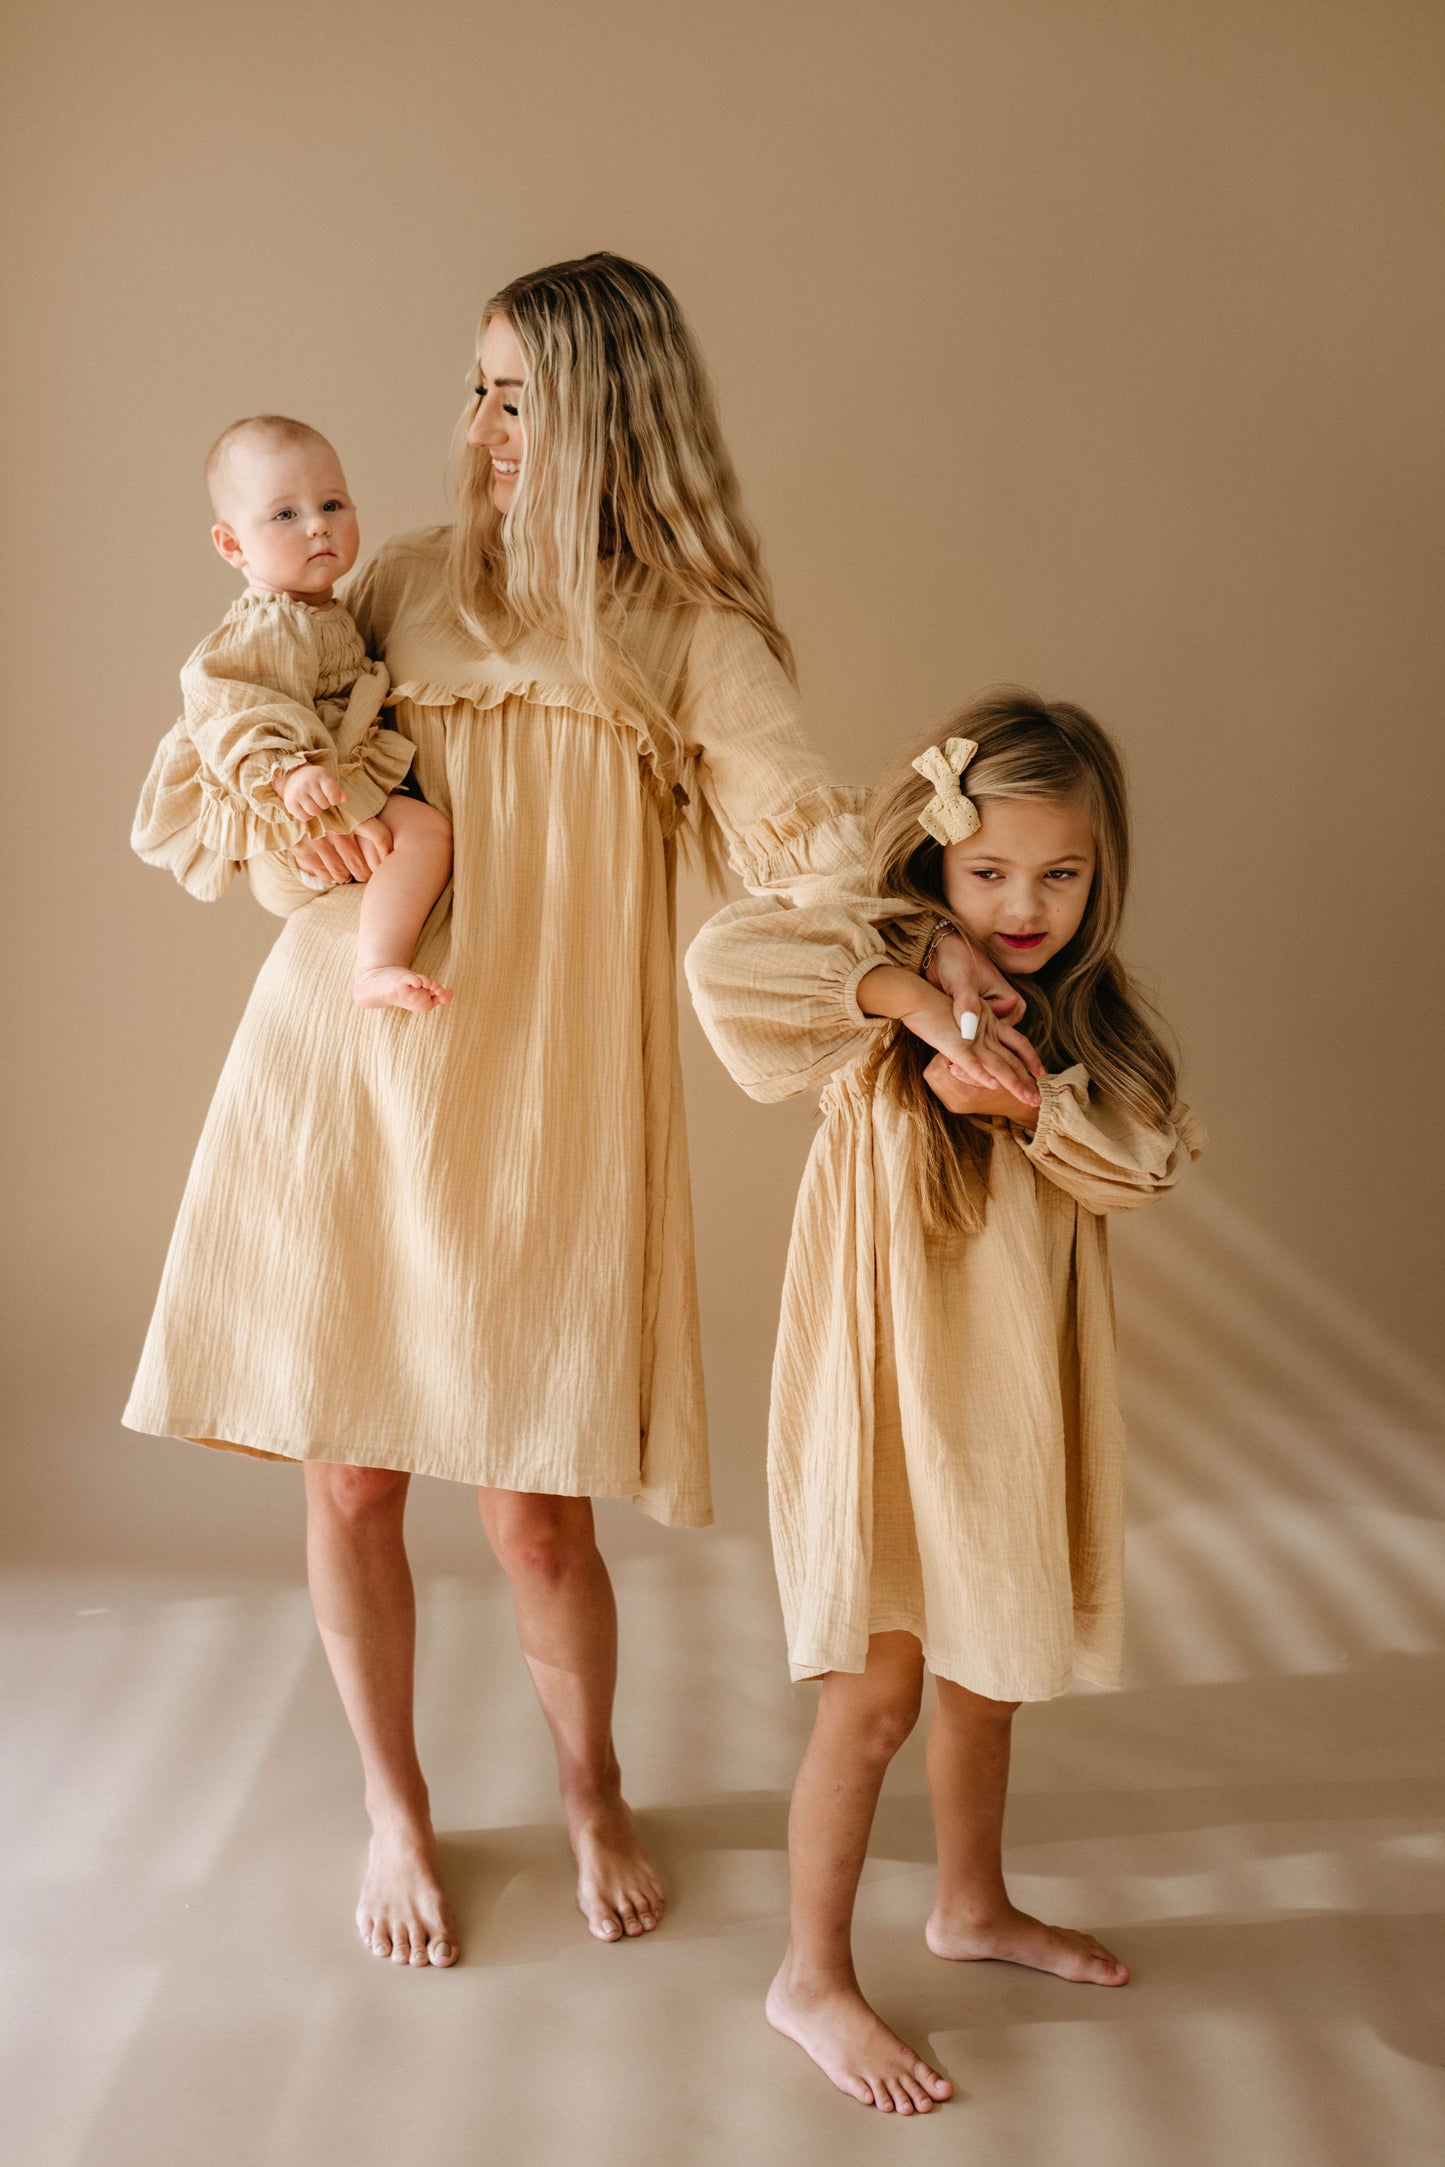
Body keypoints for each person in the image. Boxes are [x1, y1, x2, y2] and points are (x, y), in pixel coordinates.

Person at [123, 254, 1043, 1967]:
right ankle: (396, 1802)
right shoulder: (388, 579)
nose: (482, 429)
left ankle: (590, 1785)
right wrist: (299, 806)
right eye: (475, 389)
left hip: (546, 1096)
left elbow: (800, 844)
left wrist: (924, 968)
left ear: (607, 417)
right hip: (348, 1064)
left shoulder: (688, 636)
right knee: (348, 1489)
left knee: (540, 1511)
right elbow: (241, 722)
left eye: (521, 398)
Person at [686, 689, 1204, 2112]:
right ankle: (810, 1972)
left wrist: (1031, 1105)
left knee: (988, 1678)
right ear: (934, 861)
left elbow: (1149, 1159)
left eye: (1059, 872)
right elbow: (728, 961)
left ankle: (969, 1903)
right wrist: (919, 991)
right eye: (988, 870)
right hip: (883, 1400)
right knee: (874, 1696)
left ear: (1102, 874)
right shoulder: (870, 989)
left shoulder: (1089, 1029)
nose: (1023, 903)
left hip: (1004, 1411)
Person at [131, 415, 453, 1012]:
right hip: (290, 816)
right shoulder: (268, 624)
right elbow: (228, 708)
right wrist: (285, 772)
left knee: (409, 840)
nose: (316, 526)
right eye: (285, 514)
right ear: (232, 545)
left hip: (322, 802)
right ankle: (377, 967)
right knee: (427, 834)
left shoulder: (326, 611)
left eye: (333, 503)